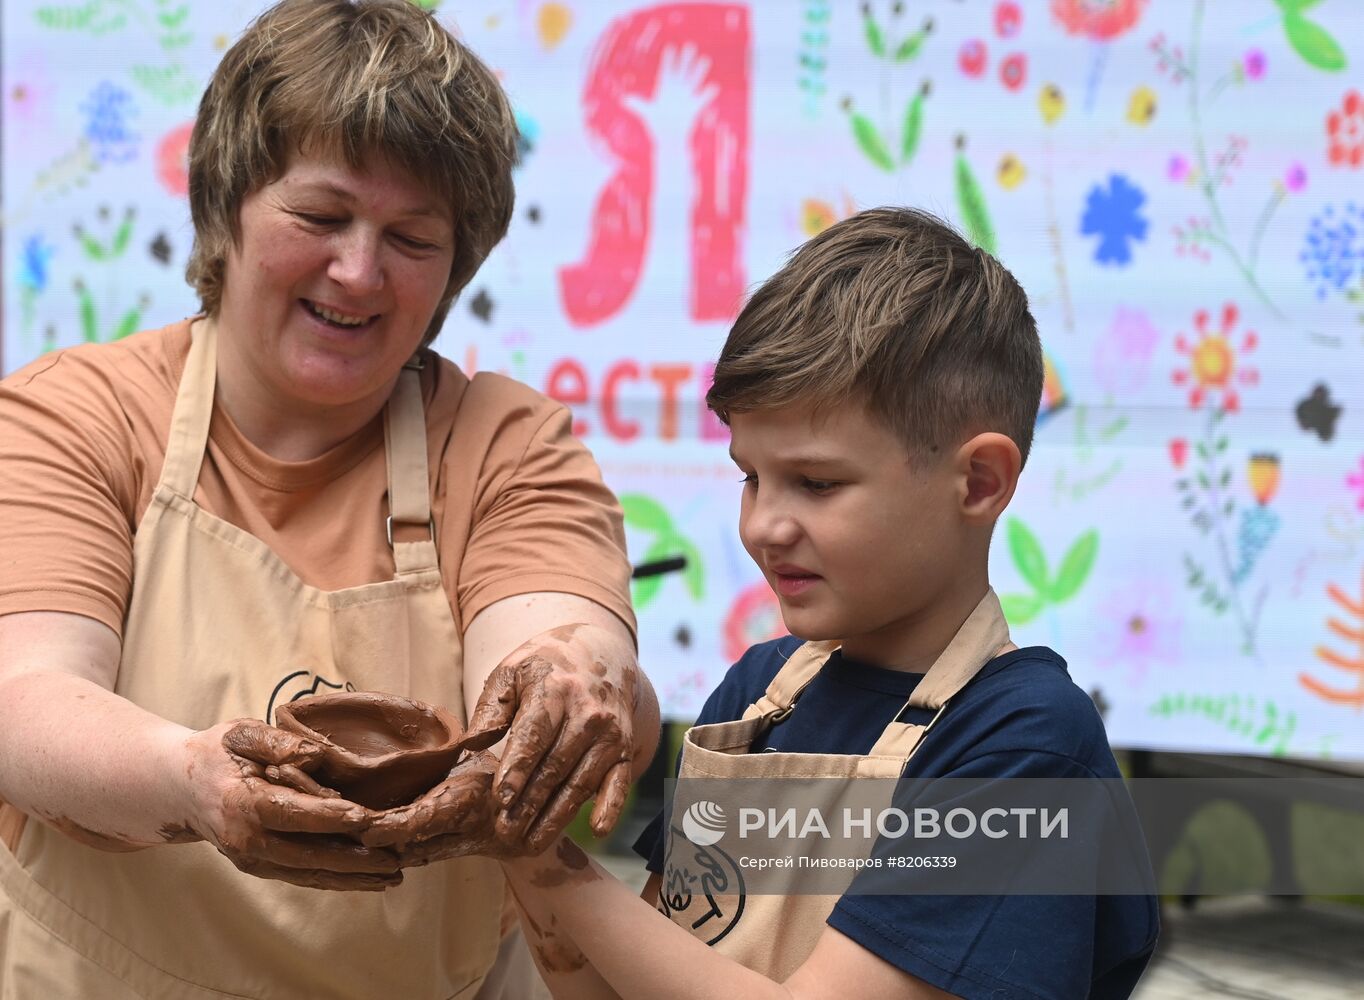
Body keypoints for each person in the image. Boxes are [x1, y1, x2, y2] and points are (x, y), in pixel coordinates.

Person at [0, 1, 658, 997]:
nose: (358, 271)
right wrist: (194, 778)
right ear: (226, 205)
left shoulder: (504, 443)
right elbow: (25, 701)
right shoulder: (76, 415)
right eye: (320, 217)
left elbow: (560, 635)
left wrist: (568, 685)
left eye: (412, 237)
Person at [418, 207, 1160, 998]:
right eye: (751, 476)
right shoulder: (757, 701)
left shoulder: (1024, 748)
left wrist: (551, 868)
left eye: (816, 483)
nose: (764, 525)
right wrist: (511, 829)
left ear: (978, 482)